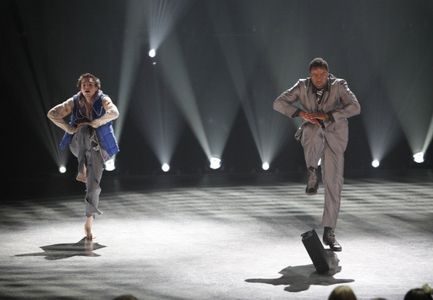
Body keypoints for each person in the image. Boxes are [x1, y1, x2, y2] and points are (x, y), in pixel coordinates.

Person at [273, 58, 360, 251]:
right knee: (311, 130)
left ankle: (329, 232)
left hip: (335, 136)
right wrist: (300, 113)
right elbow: (278, 103)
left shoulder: (339, 85)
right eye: (314, 75)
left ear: (328, 74)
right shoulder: (301, 86)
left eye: (322, 74)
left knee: (333, 183)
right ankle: (312, 171)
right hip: (313, 133)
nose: (318, 78)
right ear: (309, 74)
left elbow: (355, 107)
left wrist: (329, 115)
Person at [47, 73, 119, 240]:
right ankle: (82, 167)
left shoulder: (103, 99)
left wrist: (95, 122)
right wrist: (70, 129)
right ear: (80, 87)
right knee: (84, 130)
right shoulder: (74, 101)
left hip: (100, 149)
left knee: (93, 187)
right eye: (84, 84)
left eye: (91, 84)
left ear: (97, 87)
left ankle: (88, 221)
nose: (87, 87)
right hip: (79, 146)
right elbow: (52, 113)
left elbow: (114, 112)